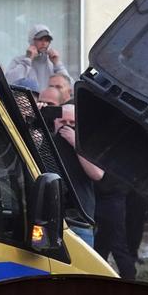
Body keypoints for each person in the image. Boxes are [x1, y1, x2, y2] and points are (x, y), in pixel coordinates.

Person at [53, 104, 104, 246]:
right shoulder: (47, 142)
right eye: (63, 122)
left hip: (79, 220)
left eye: (72, 123)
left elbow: (97, 174)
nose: (67, 127)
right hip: (53, 219)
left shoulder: (88, 145)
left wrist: (76, 144)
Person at [5, 24, 71, 92]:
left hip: (50, 102)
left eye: (47, 40)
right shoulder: (19, 61)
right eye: (40, 39)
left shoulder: (53, 63)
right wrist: (27, 60)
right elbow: (8, 82)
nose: (44, 43)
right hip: (27, 102)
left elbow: (70, 88)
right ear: (32, 41)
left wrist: (58, 64)